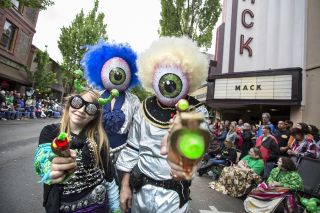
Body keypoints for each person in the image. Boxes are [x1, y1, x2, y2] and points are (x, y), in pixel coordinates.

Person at [116, 37, 210, 212]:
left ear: (189, 78)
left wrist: (187, 158)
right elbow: (132, 149)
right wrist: (125, 186)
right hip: (140, 191)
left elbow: (196, 153)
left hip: (173, 197)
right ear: (152, 76)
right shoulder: (144, 108)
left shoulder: (196, 112)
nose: (169, 83)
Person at [34, 89, 120, 213]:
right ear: (69, 103)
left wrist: (116, 208)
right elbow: (42, 159)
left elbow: (109, 178)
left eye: (90, 108)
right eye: (77, 102)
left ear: (94, 116)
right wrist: (50, 169)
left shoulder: (99, 139)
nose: (81, 110)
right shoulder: (50, 132)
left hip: (99, 206)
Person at [81, 41, 141, 185]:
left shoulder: (134, 100)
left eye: (120, 72)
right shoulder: (94, 95)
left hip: (124, 154)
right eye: (112, 71)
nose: (116, 75)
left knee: (119, 192)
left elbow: (138, 130)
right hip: (94, 150)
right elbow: (82, 120)